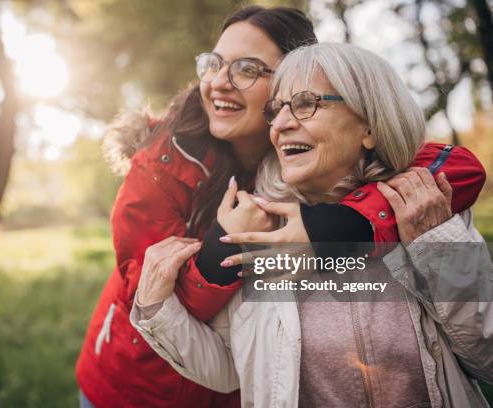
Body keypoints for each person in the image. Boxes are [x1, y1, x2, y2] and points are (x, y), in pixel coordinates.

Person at [131, 42, 492, 407]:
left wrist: (432, 249)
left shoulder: (426, 212)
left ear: (369, 125)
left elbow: (487, 359)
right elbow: (228, 369)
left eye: (306, 104)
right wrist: (155, 309)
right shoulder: (262, 230)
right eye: (277, 110)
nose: (281, 125)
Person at [76, 7, 318, 408]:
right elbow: (152, 300)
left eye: (246, 69)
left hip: (238, 388)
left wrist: (348, 220)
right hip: (137, 386)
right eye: (215, 64)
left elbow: (451, 168)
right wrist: (226, 241)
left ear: (292, 85)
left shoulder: (315, 150)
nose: (219, 83)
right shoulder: (161, 164)